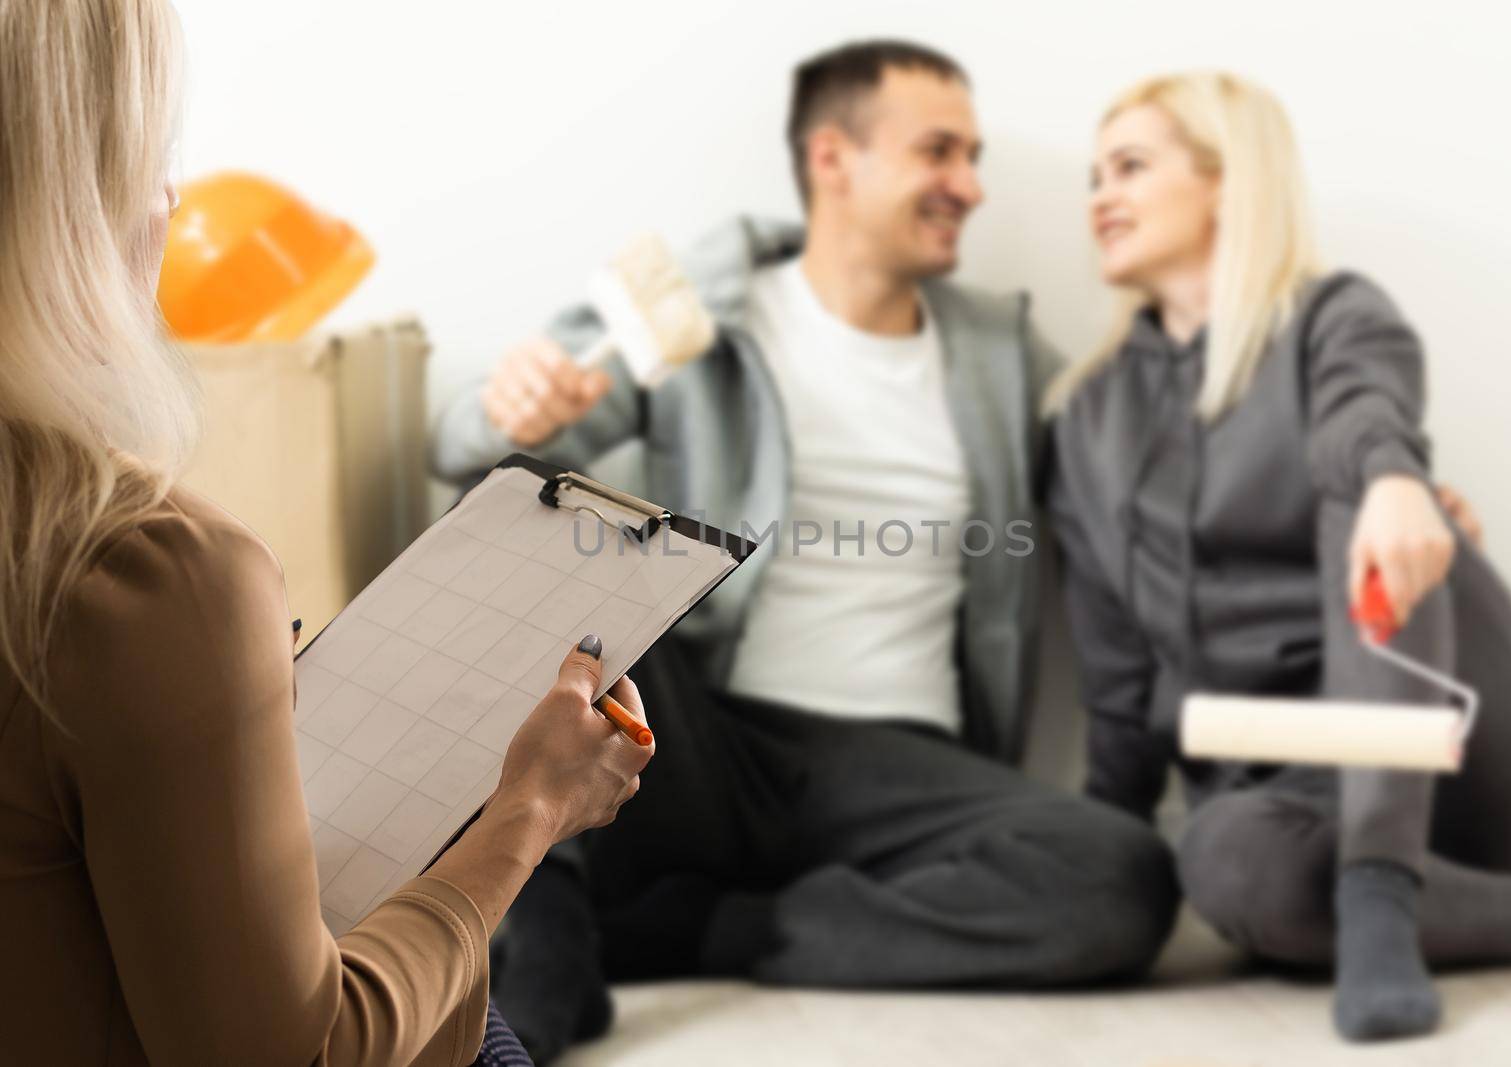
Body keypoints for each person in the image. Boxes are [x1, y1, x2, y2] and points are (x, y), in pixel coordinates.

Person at [432, 40, 1179, 1062]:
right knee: (536, 541)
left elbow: (1151, 474)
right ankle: (543, 951)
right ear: (833, 157)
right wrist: (502, 404)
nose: (968, 185)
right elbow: (466, 447)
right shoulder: (706, 310)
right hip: (698, 737)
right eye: (939, 152)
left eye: (973, 157)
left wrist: (1374, 485)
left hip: (895, 764)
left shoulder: (1002, 356)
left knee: (1123, 876)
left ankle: (695, 926)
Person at [0, 3, 652, 1064]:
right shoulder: (145, 574)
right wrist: (528, 810)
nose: (171, 200)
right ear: (75, 192)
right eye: (151, 154)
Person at [1047, 70, 1511, 1043]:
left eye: (1129, 166)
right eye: (1093, 175)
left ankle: (1381, 885)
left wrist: (1392, 478)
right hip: (1297, 788)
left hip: (1479, 745)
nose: (1100, 195)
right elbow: (1119, 676)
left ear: (1226, 180)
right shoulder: (1083, 419)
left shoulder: (1332, 316)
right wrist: (1099, 847)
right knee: (1223, 863)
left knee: (1369, 485)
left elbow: (1367, 414)